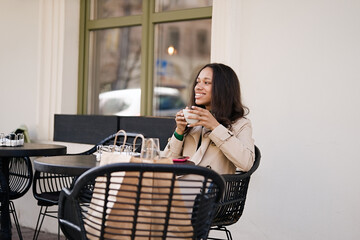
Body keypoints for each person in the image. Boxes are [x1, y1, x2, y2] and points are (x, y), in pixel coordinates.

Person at [163, 63, 255, 174]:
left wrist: (215, 127)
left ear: (223, 88)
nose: (198, 87)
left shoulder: (240, 124)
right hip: (183, 187)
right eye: (198, 81)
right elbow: (165, 165)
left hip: (211, 189)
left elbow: (246, 164)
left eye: (206, 82)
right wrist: (179, 131)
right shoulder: (193, 122)